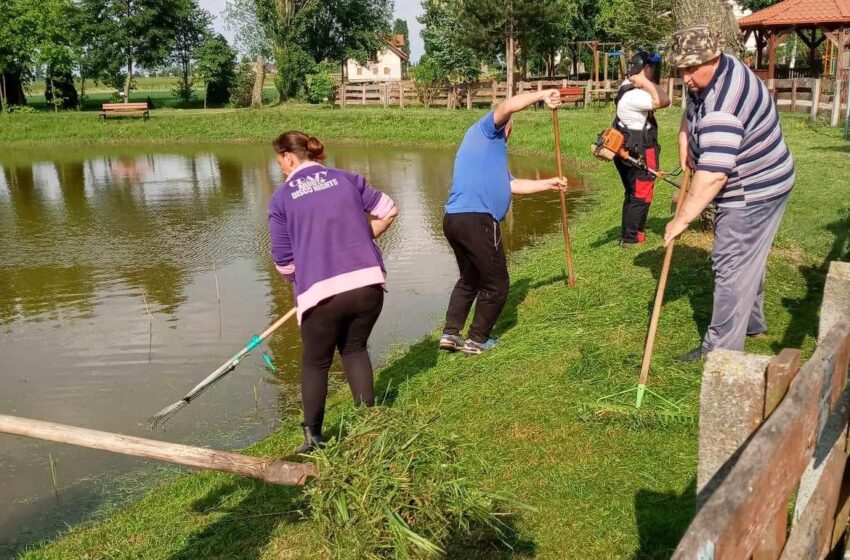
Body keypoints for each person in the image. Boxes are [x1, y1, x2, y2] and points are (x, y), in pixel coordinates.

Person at [664, 26, 795, 362]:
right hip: (767, 176)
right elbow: (693, 108)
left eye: (692, 68)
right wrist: (685, 139)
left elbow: (713, 176)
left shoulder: (724, 104)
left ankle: (720, 351)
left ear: (714, 57)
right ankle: (752, 324)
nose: (686, 77)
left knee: (731, 262)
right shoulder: (713, 74)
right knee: (747, 257)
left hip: (754, 189)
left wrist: (681, 218)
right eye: (681, 69)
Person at [268, 131, 398, 452]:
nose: (281, 168)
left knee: (316, 362)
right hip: (368, 285)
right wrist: (362, 236)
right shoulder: (346, 178)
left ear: (289, 157)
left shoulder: (282, 198)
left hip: (322, 293)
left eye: (279, 162)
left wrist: (308, 274)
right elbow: (388, 209)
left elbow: (284, 264)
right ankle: (369, 422)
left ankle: (313, 437)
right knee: (354, 349)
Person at [439, 89, 568, 355]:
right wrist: (543, 94)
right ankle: (477, 339)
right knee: (497, 283)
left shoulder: (486, 151)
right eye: (510, 128)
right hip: (478, 220)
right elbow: (508, 105)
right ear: (506, 126)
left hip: (455, 220)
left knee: (470, 278)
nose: (510, 133)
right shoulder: (485, 130)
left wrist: (549, 183)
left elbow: (512, 185)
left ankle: (451, 334)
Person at [613, 51, 671, 246]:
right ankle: (632, 239)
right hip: (640, 150)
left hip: (628, 149)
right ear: (646, 68)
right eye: (652, 68)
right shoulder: (635, 94)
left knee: (632, 194)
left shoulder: (626, 87)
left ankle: (631, 235)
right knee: (641, 194)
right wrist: (644, 81)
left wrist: (640, 80)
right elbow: (665, 100)